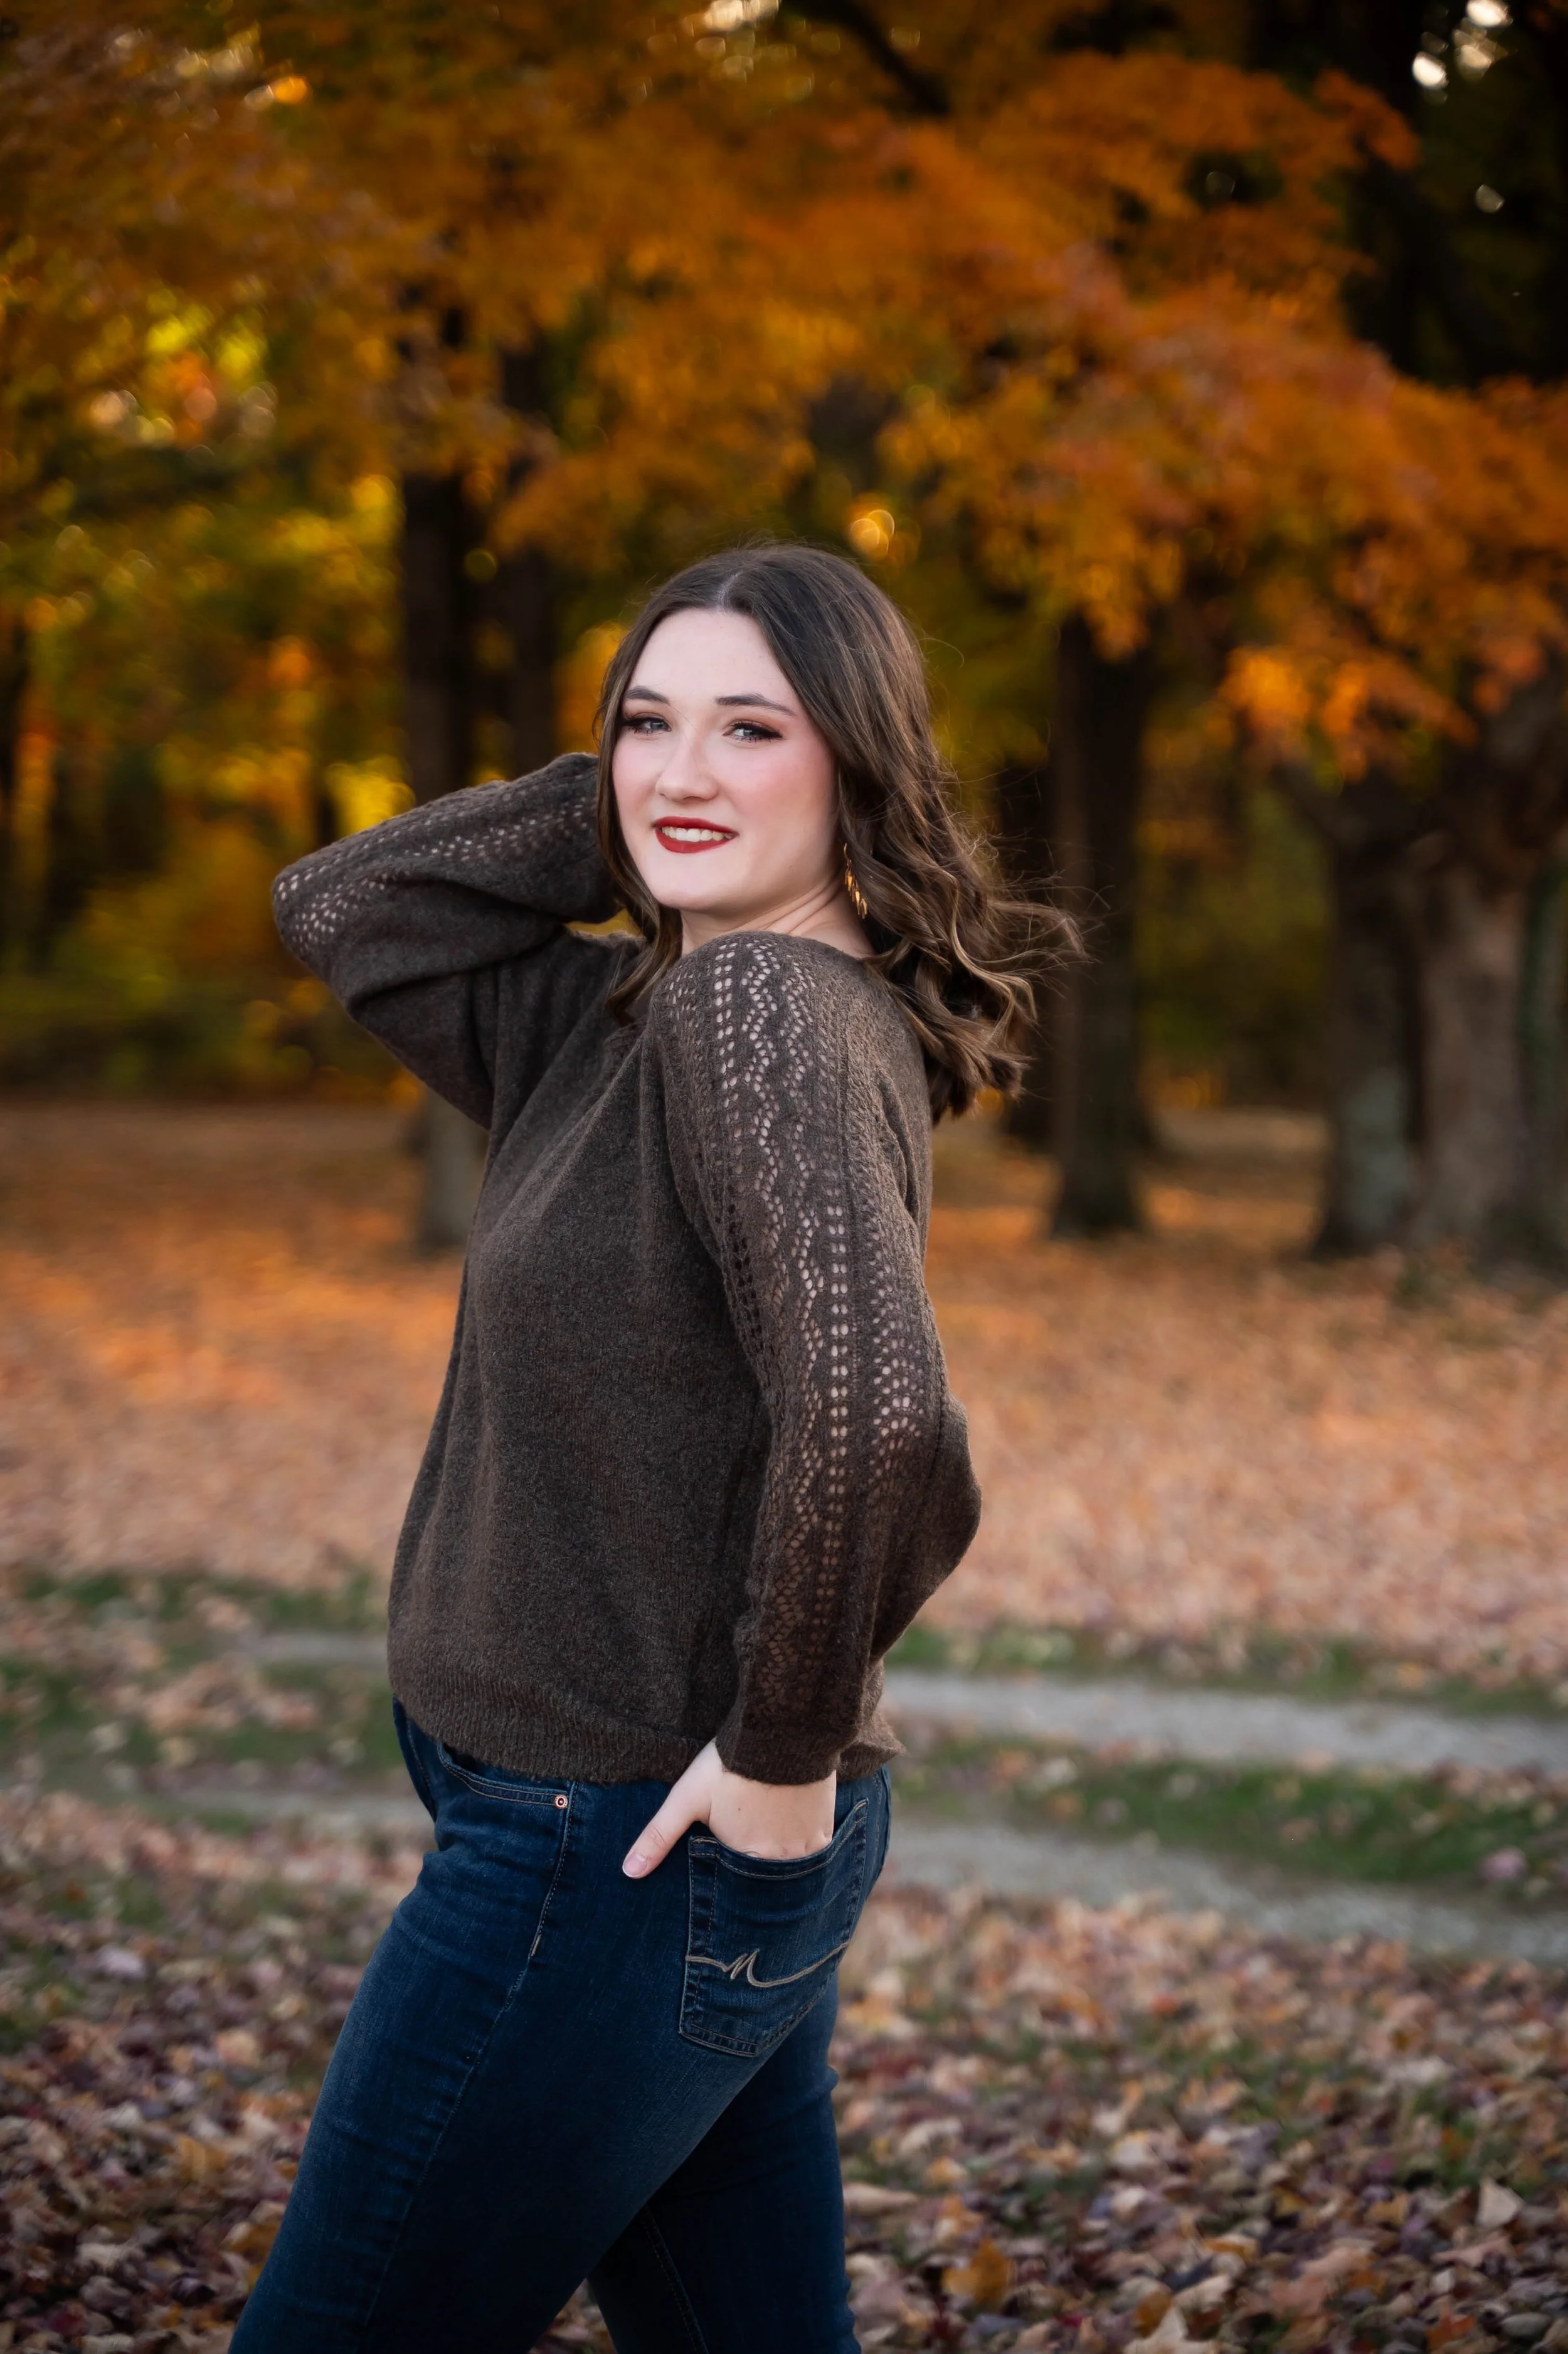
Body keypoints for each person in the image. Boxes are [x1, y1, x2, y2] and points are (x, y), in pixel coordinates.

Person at [233, 541, 1057, 2353]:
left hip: (610, 1843)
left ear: (858, 760)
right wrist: (628, 798)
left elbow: (877, 1417)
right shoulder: (614, 1013)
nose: (682, 772)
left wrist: (774, 1760)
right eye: (645, 722)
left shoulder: (751, 1011)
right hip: (623, 1829)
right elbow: (344, 903)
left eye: (752, 728)